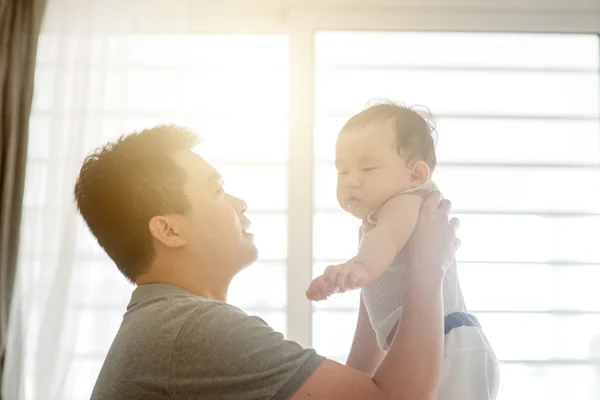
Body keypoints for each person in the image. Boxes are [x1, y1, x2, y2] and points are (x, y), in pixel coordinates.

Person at [75, 124, 459, 400]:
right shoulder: (194, 330)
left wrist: (376, 273)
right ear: (169, 231)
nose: (239, 203)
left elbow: (357, 388)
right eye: (217, 189)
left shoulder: (166, 325)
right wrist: (430, 266)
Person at [306, 102, 499, 400]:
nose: (351, 180)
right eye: (342, 171)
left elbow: (386, 240)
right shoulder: (378, 223)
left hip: (449, 342)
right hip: (445, 344)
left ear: (415, 174)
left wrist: (358, 268)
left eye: (367, 167)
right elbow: (372, 316)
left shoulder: (406, 203)